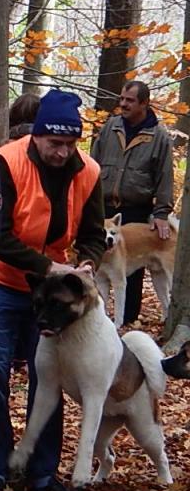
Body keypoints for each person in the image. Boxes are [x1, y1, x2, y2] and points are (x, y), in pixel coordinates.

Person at [0, 88, 106, 491]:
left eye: (70, 144)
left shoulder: (88, 171)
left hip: (57, 293)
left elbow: (93, 236)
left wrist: (87, 263)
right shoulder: (7, 161)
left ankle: (41, 473)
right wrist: (45, 267)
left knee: (47, 379)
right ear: (36, 136)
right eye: (54, 143)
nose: (61, 152)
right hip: (4, 283)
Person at [89, 80, 173, 326]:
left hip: (137, 205)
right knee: (96, 256)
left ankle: (127, 319)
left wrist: (161, 213)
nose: (123, 104)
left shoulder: (158, 136)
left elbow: (165, 176)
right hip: (104, 205)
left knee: (132, 268)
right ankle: (98, 314)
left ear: (144, 104)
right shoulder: (110, 127)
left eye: (129, 100)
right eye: (122, 98)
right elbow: (93, 164)